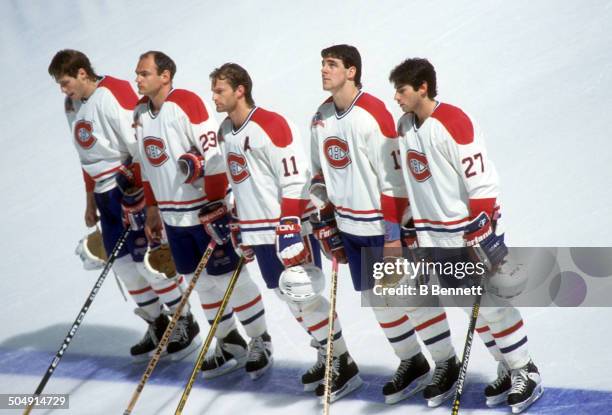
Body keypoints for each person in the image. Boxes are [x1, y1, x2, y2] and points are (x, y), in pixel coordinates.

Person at [387, 57, 543, 413]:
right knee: (472, 309)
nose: (396, 97)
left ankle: (526, 369)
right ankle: (505, 364)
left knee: (492, 305)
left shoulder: (454, 121)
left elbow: (482, 181)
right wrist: (411, 223)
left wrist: (481, 227)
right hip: (434, 237)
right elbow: (412, 181)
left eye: (402, 90)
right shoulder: (404, 126)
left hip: (467, 233)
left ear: (422, 87)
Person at [310, 44, 460, 406]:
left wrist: (394, 236)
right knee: (379, 302)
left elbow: (395, 182)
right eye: (322, 65)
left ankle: (447, 363)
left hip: (381, 228)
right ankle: (412, 361)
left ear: (351, 71)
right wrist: (325, 217)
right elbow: (318, 173)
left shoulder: (373, 114)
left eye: (331, 65)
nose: (324, 71)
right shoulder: (320, 116)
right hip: (350, 228)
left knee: (411, 297)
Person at [209, 62, 362, 401]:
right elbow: (239, 181)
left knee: (304, 299)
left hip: (287, 231)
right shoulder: (224, 132)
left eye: (219, 90)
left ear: (240, 90)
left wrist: (290, 225)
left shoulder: (271, 125)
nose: (214, 98)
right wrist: (239, 224)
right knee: (289, 300)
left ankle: (343, 362)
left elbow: (296, 178)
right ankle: (327, 353)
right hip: (258, 234)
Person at [133, 51, 272, 377]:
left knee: (230, 280)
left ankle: (260, 339)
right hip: (172, 218)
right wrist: (152, 207)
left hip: (201, 213)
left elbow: (214, 158)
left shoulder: (187, 104)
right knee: (203, 286)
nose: (137, 79)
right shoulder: (140, 112)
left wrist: (213, 207)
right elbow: (145, 163)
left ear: (165, 76)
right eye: (137, 73)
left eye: (144, 73)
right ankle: (228, 341)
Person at [48, 49, 180, 361]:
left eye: (65, 81)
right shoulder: (71, 104)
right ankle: (158, 322)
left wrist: (144, 197)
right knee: (122, 265)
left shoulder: (113, 94)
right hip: (104, 196)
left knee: (148, 263)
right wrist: (89, 199)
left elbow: (141, 147)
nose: (62, 89)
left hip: (127, 189)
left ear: (82, 73)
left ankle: (183, 322)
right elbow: (86, 155)